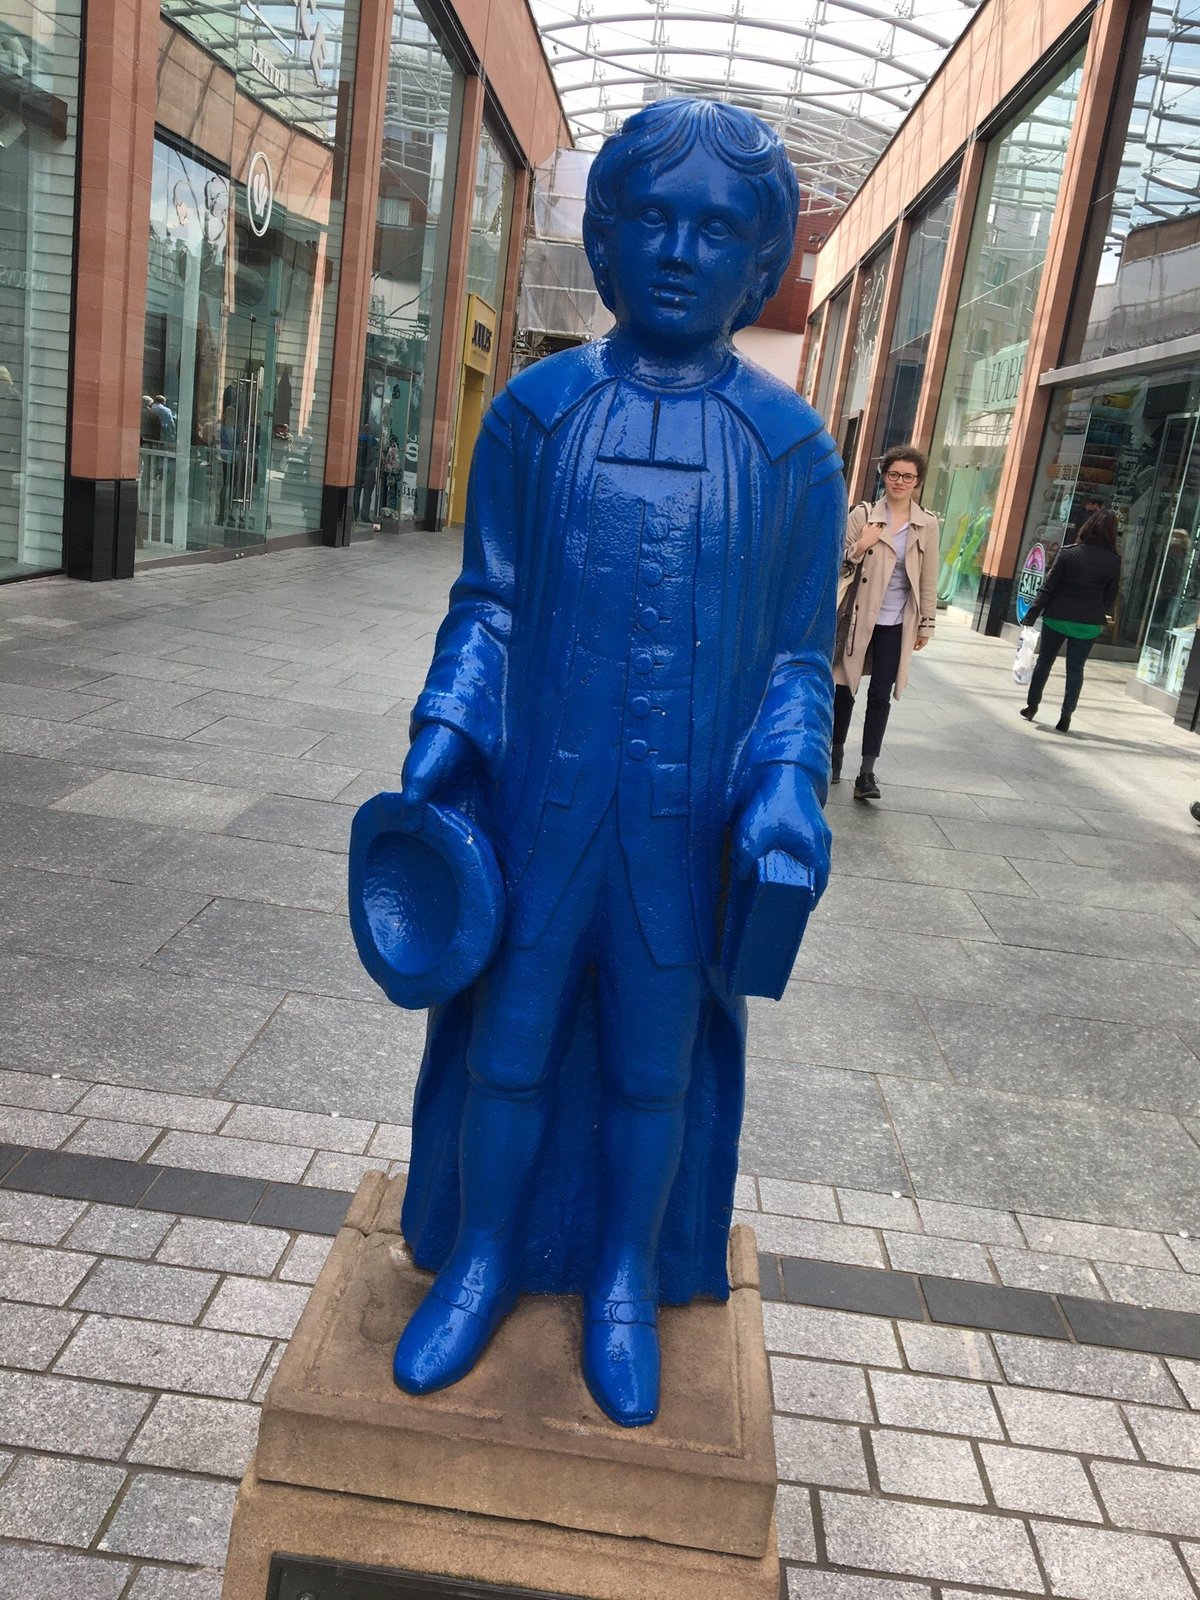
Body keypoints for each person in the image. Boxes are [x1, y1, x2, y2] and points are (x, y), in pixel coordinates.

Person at [388, 97, 843, 1426]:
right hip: (542, 817)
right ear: (604, 235)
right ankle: (479, 1257)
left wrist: (785, 788)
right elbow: (489, 601)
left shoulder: (792, 453)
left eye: (718, 230)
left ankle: (627, 1277)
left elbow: (796, 666)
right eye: (652, 217)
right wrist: (444, 730)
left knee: (657, 1068)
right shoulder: (533, 416)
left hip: (680, 836)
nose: (681, 250)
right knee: (507, 1049)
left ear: (762, 262)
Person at [832, 444, 939, 800]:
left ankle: (866, 773)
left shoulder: (927, 525)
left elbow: (927, 577)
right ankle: (833, 756)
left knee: (881, 695)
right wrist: (860, 546)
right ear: (884, 475)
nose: (900, 481)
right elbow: (838, 565)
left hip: (897, 621)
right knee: (844, 689)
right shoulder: (862, 515)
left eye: (908, 476)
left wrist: (926, 624)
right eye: (894, 474)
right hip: (859, 615)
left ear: (918, 482)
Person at [1020, 509, 1121, 732]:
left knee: (1045, 661)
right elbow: (1110, 597)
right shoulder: (1114, 562)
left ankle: (1032, 705)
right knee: (1075, 669)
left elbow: (1048, 588)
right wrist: (1095, 611)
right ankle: (1066, 716)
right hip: (1087, 623)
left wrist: (1032, 614)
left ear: (1088, 526)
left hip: (1058, 617)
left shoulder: (1068, 554)